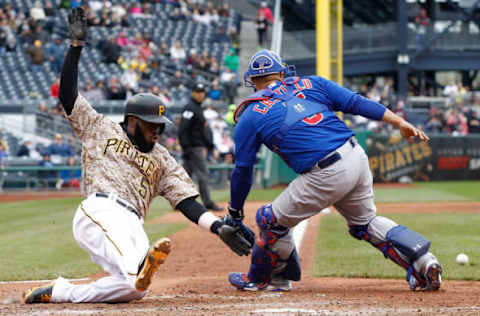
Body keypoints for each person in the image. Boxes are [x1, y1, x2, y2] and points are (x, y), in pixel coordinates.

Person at [23, 7, 253, 304]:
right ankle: (140, 265)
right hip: (100, 210)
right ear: (132, 121)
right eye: (151, 125)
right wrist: (76, 48)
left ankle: (62, 292)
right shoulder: (99, 128)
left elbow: (186, 202)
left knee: (135, 288)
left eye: (160, 126)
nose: (157, 131)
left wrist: (218, 227)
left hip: (133, 223)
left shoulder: (162, 158)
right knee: (137, 268)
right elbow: (68, 96)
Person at [227, 49, 443, 292]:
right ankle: (425, 263)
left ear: (253, 81)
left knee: (269, 220)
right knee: (365, 223)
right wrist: (399, 121)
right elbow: (356, 102)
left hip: (326, 171)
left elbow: (243, 171)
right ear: (282, 72)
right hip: (356, 156)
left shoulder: (250, 114)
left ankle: (266, 279)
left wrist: (235, 211)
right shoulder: (311, 83)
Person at [178, 83, 223, 212]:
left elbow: (200, 130)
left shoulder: (197, 107)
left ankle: (181, 202)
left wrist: (208, 144)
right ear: (192, 93)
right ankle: (207, 202)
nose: (200, 94)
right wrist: (185, 147)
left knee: (186, 175)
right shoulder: (190, 108)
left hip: (195, 146)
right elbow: (183, 129)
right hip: (193, 147)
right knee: (203, 174)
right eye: (197, 92)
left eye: (202, 92)